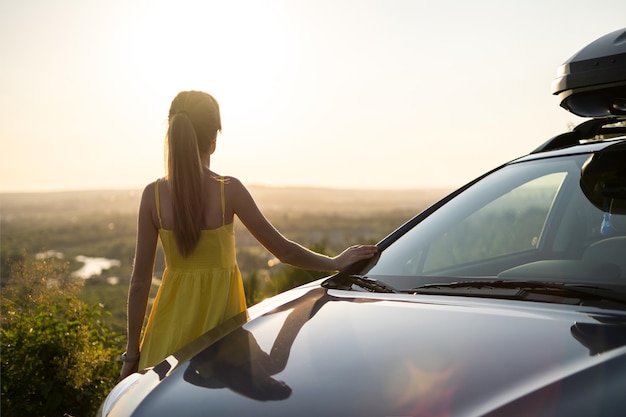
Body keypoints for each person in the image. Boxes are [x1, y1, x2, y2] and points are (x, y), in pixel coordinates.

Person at [120, 90, 378, 379]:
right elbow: (284, 251)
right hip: (223, 343)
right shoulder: (227, 191)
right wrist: (334, 263)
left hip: (164, 345)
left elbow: (140, 281)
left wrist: (131, 355)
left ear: (173, 136)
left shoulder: (152, 196)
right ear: (213, 142)